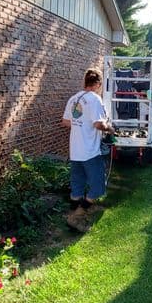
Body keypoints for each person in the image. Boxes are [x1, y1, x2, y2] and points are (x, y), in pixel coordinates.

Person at [60, 68, 114, 231]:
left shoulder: (74, 99)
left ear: (85, 81)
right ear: (97, 83)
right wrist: (110, 128)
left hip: (75, 150)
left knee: (77, 186)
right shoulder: (94, 99)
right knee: (98, 187)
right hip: (90, 151)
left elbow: (66, 122)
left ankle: (72, 217)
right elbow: (99, 124)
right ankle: (77, 217)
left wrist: (81, 124)